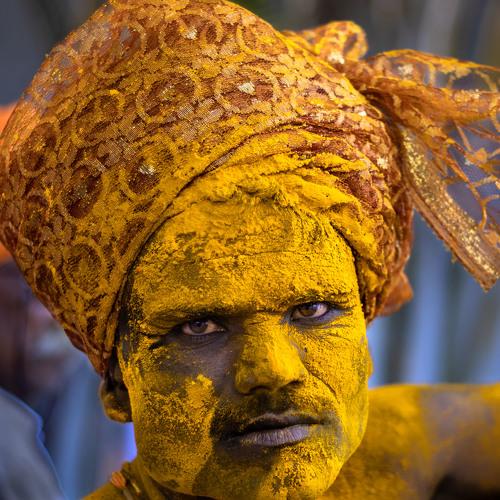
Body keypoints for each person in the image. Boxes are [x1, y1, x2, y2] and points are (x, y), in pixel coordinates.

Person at [0, 0, 498, 498]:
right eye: (200, 326)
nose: (273, 371)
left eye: (313, 310)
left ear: (363, 343)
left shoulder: (404, 449)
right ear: (118, 384)